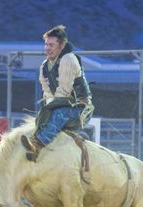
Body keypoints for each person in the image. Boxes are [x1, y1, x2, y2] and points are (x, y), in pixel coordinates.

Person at [21, 25, 94, 161]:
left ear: (61, 46)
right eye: (46, 44)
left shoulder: (68, 59)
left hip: (80, 109)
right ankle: (37, 139)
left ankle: (37, 145)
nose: (47, 48)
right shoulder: (44, 66)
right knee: (42, 117)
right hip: (60, 105)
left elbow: (63, 93)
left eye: (51, 45)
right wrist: (46, 111)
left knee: (59, 114)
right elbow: (47, 94)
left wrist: (50, 110)